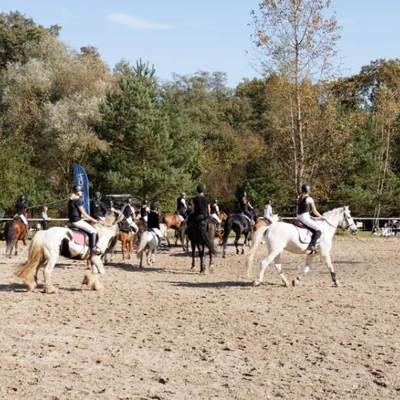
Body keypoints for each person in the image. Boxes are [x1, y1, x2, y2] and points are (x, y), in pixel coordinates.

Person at [68, 185, 102, 255]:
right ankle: (93, 248)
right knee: (93, 231)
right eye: (81, 192)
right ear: (78, 192)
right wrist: (94, 220)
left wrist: (86, 219)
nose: (81, 193)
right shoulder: (77, 201)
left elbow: (78, 214)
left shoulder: (71, 200)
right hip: (77, 221)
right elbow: (84, 214)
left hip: (73, 220)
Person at [296, 183, 324, 254]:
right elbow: (315, 211)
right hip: (304, 218)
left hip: (299, 216)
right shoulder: (309, 199)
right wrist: (321, 217)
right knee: (319, 230)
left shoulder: (300, 198)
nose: (311, 190)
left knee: (313, 229)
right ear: (308, 190)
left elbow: (304, 209)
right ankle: (311, 245)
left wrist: (310, 216)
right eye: (310, 189)